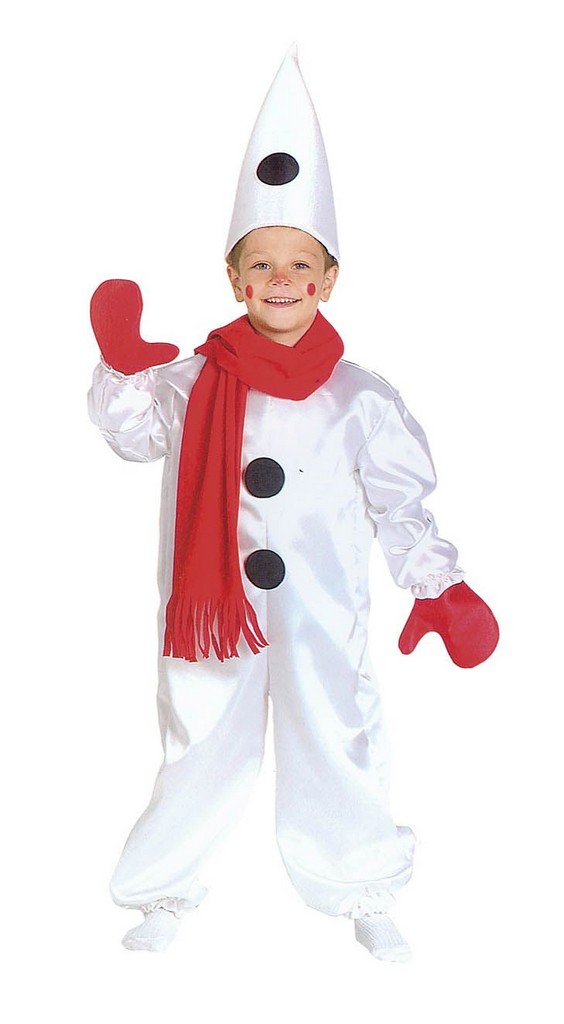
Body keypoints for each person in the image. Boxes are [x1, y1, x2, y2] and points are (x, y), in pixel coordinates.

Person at [88, 48, 498, 961]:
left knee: (338, 735)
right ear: (235, 278)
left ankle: (363, 888)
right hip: (211, 613)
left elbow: (400, 500)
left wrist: (438, 586)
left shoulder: (361, 398)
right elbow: (132, 437)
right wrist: (121, 368)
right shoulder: (189, 383)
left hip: (320, 611)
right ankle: (164, 891)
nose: (281, 278)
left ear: (328, 278)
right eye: (262, 263)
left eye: (300, 263)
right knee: (199, 740)